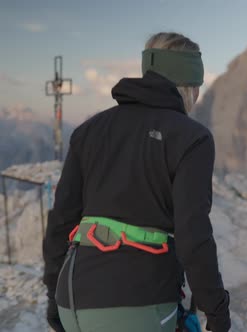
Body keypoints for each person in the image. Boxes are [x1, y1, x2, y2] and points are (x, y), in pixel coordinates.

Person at [42, 32, 231, 332]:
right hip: (138, 302)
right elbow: (193, 236)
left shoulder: (89, 130)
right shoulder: (192, 138)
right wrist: (218, 312)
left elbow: (61, 222)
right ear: (190, 87)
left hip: (72, 299)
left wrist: (54, 296)